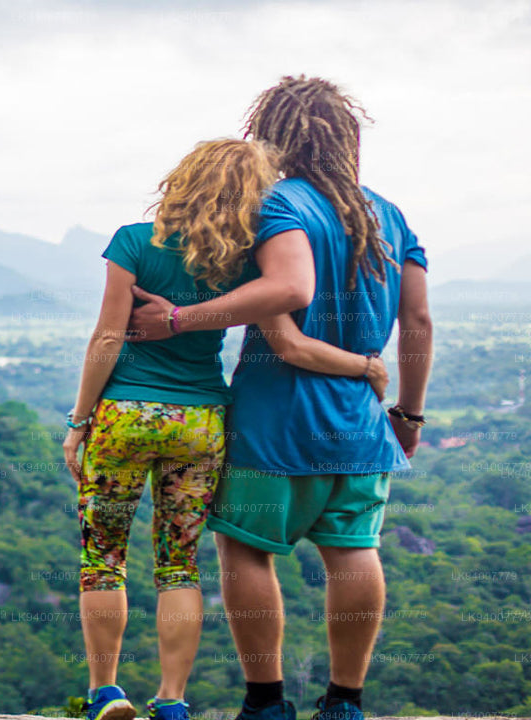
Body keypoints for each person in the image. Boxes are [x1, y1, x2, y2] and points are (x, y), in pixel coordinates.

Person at [125, 76, 433, 720]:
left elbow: (282, 326)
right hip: (359, 422)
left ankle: (265, 702)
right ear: (346, 138)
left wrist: (179, 319)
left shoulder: (271, 206)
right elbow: (418, 321)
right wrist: (407, 413)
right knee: (355, 551)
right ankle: (345, 702)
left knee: (245, 549)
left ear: (273, 135)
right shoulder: (389, 215)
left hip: (274, 421)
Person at [62, 138, 389, 720]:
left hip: (124, 415)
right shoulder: (243, 262)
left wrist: (80, 420)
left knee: (103, 559)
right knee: (178, 564)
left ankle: (105, 691)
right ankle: (172, 699)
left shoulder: (133, 241)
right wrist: (366, 367)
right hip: (201, 421)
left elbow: (107, 337)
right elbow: (288, 340)